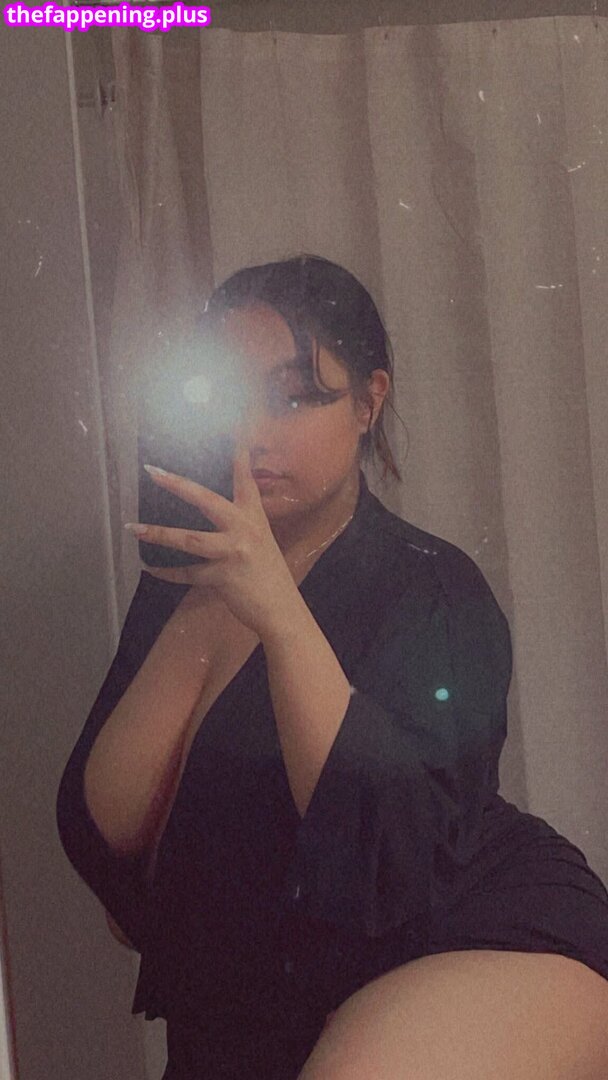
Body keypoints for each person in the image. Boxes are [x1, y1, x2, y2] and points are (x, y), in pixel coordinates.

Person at [57, 255, 608, 1079]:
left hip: (469, 936)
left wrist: (278, 610)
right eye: (228, 397)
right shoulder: (179, 584)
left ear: (367, 403)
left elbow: (393, 852)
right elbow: (118, 842)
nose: (253, 432)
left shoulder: (432, 586)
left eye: (293, 396)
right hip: (265, 1001)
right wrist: (211, 599)